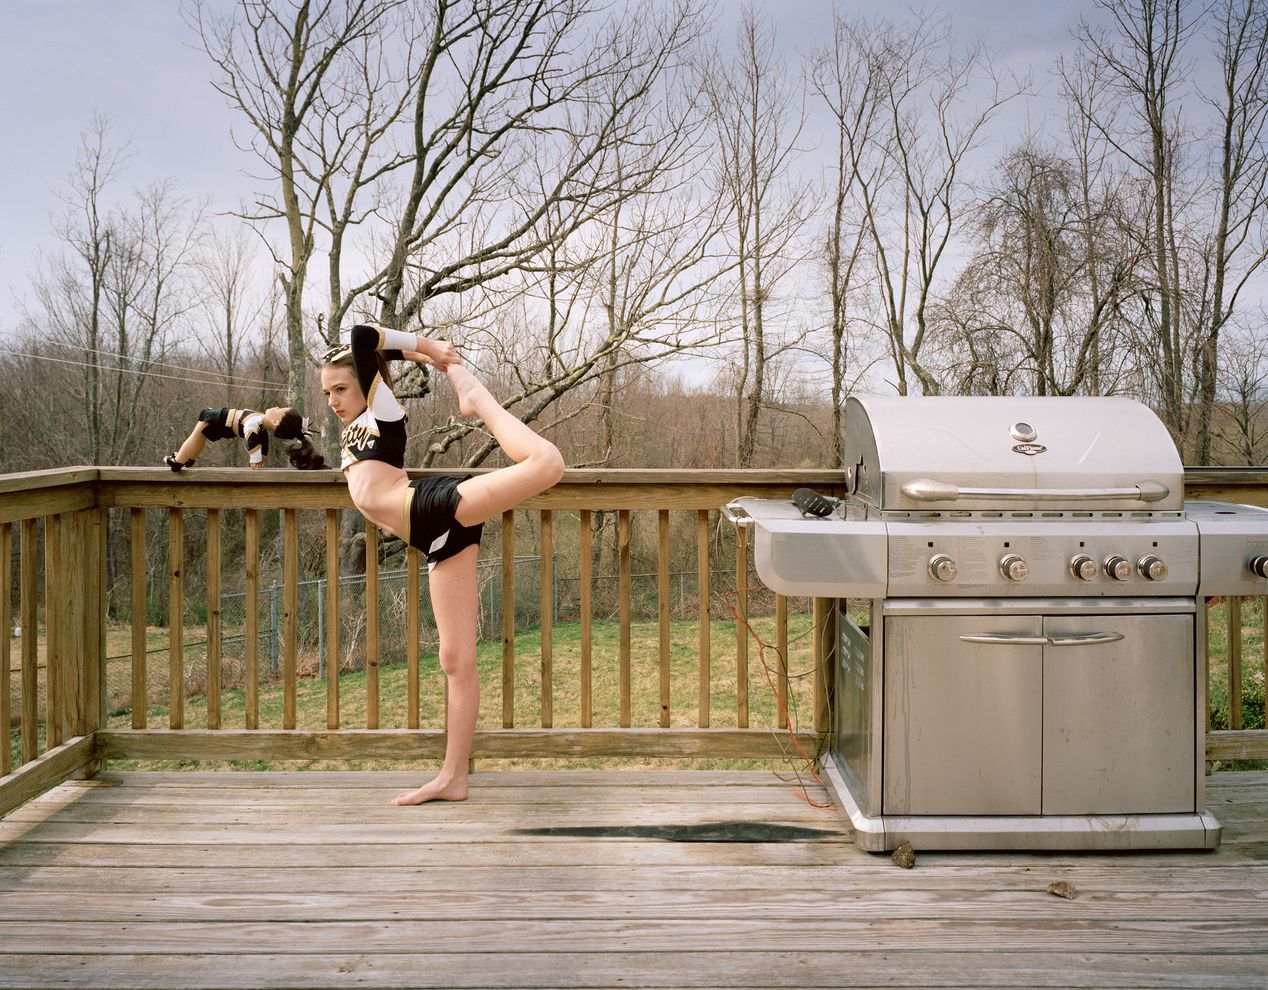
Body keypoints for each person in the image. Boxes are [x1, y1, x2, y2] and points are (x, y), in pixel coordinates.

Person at [321, 323, 564, 805]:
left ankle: (476, 398)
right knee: (456, 659)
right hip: (431, 537)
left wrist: (430, 352)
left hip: (431, 506)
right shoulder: (354, 430)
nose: (333, 399)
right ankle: (454, 777)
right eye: (327, 392)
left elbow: (364, 334)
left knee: (547, 464)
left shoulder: (381, 410)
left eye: (341, 388)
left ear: (367, 384)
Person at [165, 405, 326, 471]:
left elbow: (250, 433)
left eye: (279, 409)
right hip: (225, 421)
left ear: (276, 421)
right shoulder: (261, 423)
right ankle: (188, 458)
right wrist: (262, 455)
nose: (276, 406)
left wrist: (255, 458)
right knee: (200, 437)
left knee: (197, 433)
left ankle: (179, 460)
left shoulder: (256, 422)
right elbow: (263, 440)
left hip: (222, 419)